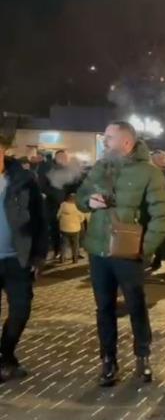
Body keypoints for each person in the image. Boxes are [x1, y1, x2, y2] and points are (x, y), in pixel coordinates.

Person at [76, 121, 165, 387]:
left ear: (126, 142)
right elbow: (81, 197)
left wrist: (143, 248)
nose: (104, 141)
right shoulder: (101, 167)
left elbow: (163, 215)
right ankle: (108, 360)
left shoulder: (149, 173)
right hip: (99, 251)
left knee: (136, 305)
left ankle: (143, 357)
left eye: (109, 137)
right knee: (104, 307)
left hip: (129, 253)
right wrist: (88, 202)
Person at [0, 134, 47, 382]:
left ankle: (5, 354)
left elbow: (40, 219)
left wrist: (39, 256)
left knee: (21, 310)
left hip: (17, 258)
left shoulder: (23, 179)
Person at [39, 149, 81, 261]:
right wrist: (56, 196)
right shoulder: (48, 168)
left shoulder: (70, 170)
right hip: (53, 204)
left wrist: (73, 195)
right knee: (55, 228)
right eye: (63, 157)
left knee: (72, 228)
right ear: (57, 157)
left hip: (68, 204)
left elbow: (74, 184)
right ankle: (57, 250)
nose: (66, 159)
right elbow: (43, 186)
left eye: (67, 157)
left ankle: (74, 251)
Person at [57, 193, 85, 264]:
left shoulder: (63, 205)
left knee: (63, 244)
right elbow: (82, 218)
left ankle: (62, 258)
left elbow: (58, 215)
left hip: (64, 228)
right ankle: (75, 259)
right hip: (75, 229)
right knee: (75, 245)